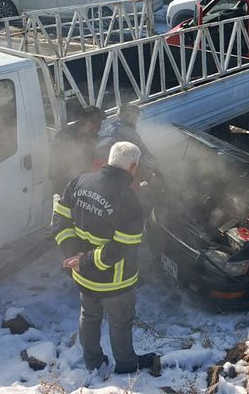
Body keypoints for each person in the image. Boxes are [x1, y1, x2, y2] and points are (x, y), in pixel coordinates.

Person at [51, 141, 148, 374]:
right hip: (115, 281)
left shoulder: (80, 181)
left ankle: (93, 362)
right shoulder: (128, 200)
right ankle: (126, 366)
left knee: (89, 317)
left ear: (109, 159)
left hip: (83, 275)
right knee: (120, 323)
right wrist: (84, 260)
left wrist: (73, 255)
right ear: (133, 167)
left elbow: (60, 220)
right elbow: (122, 248)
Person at [50, 106, 105, 194]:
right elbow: (60, 166)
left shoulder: (91, 136)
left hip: (82, 181)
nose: (99, 129)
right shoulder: (65, 137)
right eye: (98, 126)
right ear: (86, 122)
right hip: (64, 184)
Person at [92, 104, 158, 176]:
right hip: (110, 165)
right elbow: (143, 153)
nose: (136, 120)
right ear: (131, 117)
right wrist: (156, 166)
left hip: (96, 163)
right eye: (136, 116)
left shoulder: (111, 126)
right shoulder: (128, 132)